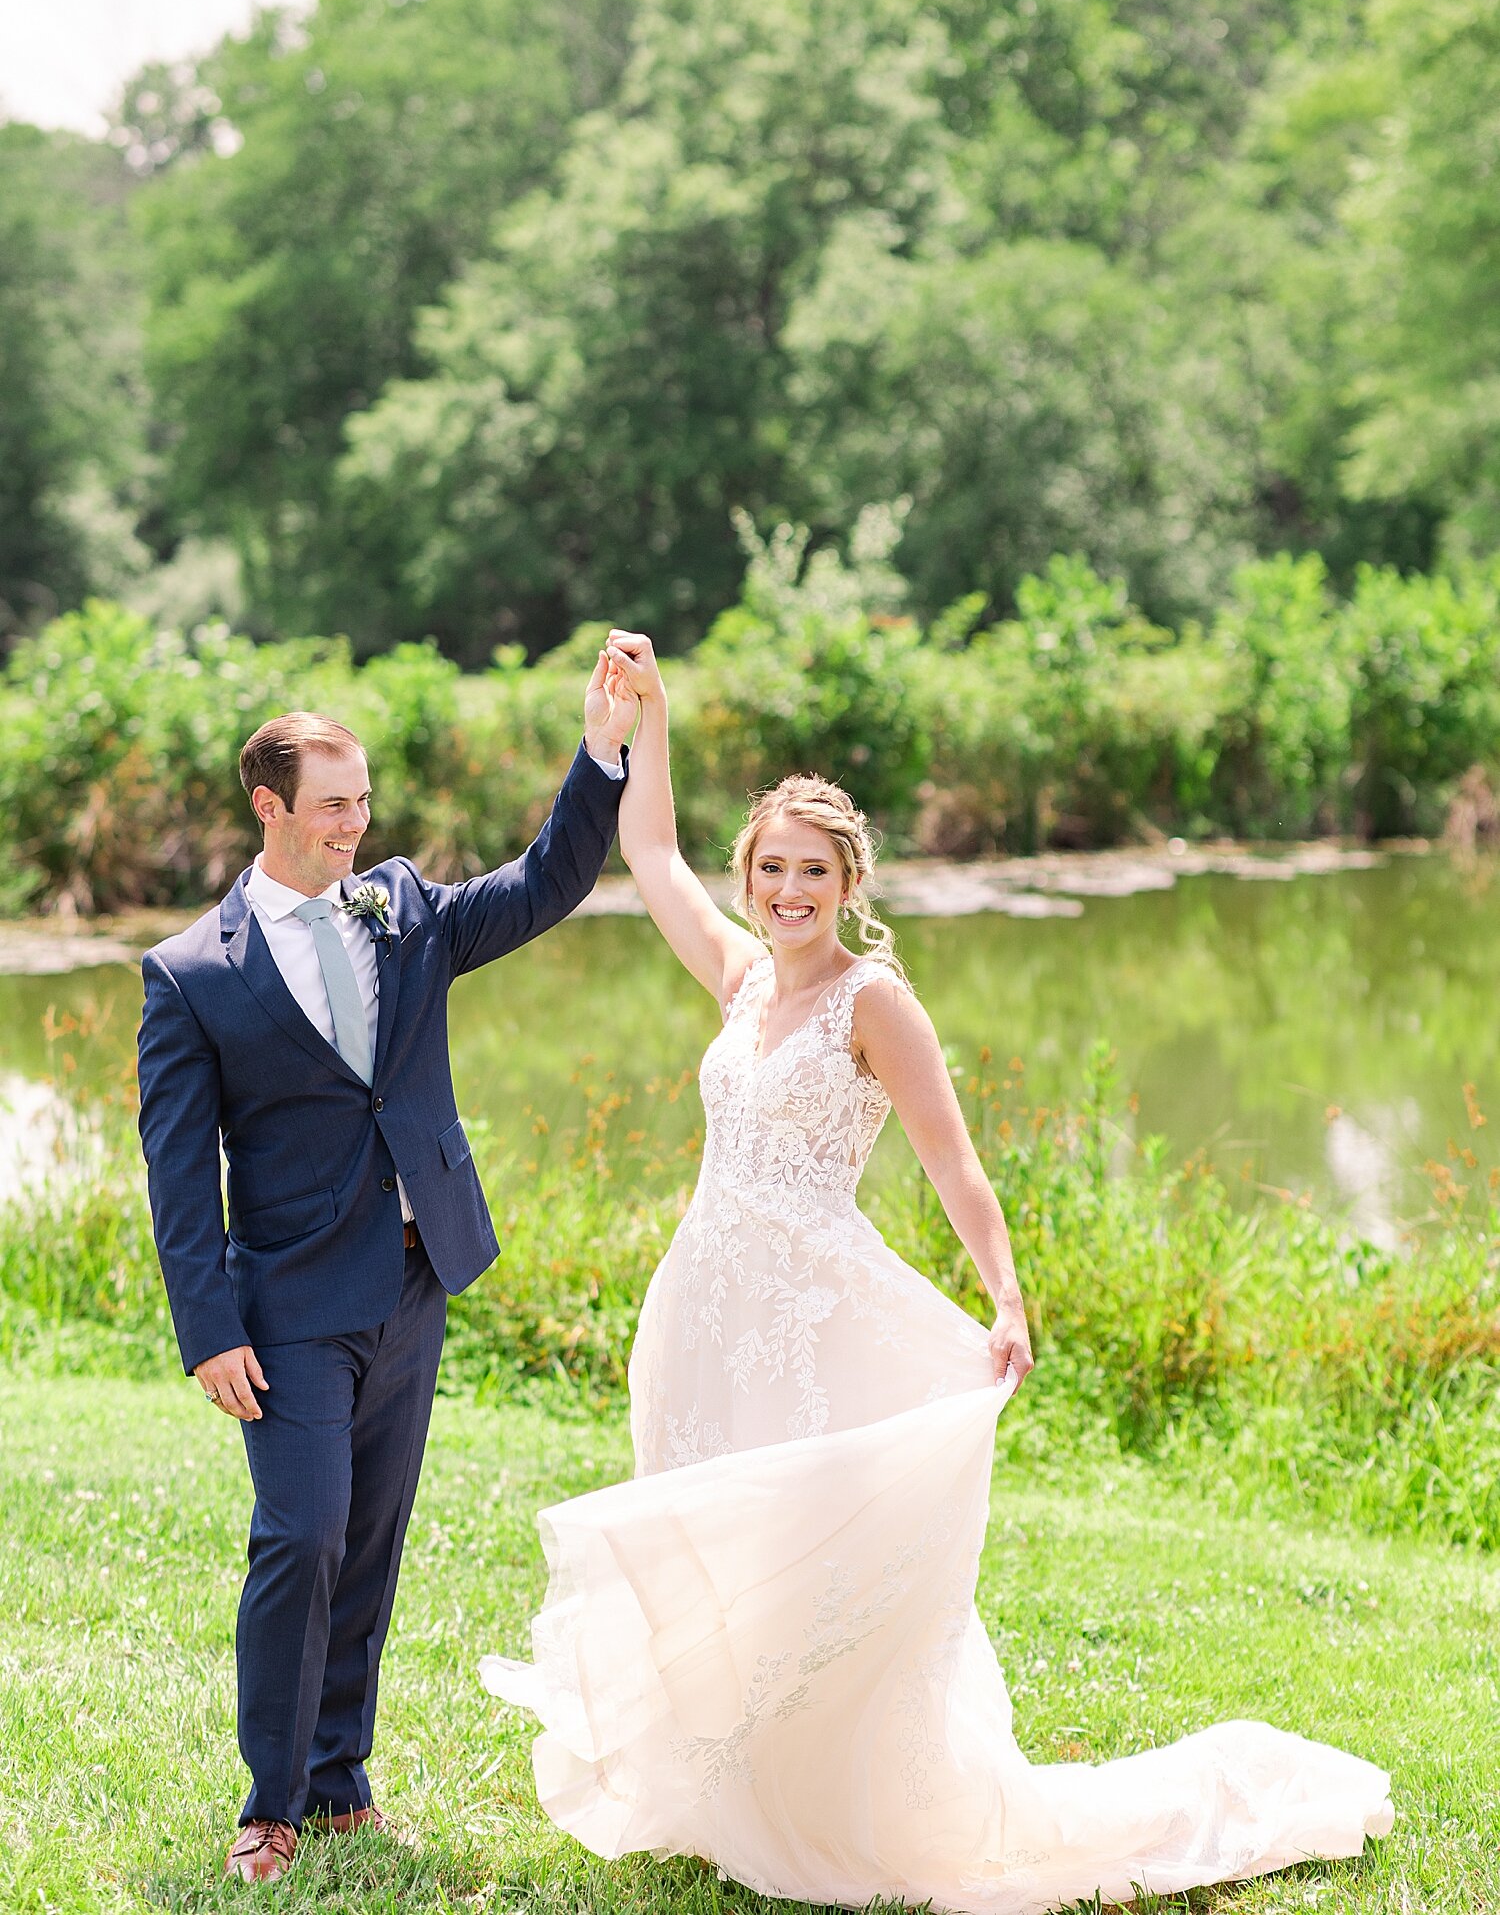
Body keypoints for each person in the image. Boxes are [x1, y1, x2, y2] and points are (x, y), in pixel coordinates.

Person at [484, 631, 1393, 1915]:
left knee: (811, 1551)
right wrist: (644, 721)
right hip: (703, 1307)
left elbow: (956, 1165)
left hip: (812, 1314)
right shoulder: (741, 983)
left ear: (848, 883)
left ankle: (837, 1799)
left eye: (812, 871)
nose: (788, 889)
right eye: (771, 869)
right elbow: (646, 853)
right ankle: (729, 1792)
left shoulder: (875, 1002)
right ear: (750, 879)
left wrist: (1008, 1290)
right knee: (720, 1543)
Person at [138, 654, 635, 1883]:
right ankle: (271, 1804)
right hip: (289, 1304)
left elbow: (545, 882)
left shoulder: (403, 906)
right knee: (300, 1536)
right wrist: (209, 1328)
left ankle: (341, 1781)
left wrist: (600, 756)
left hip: (415, 1282)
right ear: (270, 806)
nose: (356, 825)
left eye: (363, 801)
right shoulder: (191, 973)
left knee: (370, 1540)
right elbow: (178, 1175)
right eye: (333, 806)